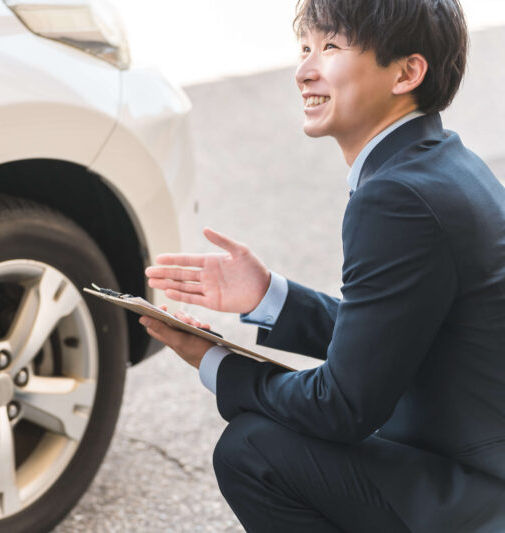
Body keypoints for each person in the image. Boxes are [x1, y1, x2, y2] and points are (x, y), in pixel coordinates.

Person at [140, 0, 505, 531]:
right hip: (479, 456)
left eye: (331, 47)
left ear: (406, 73)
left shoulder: (396, 197)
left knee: (253, 450)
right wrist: (268, 296)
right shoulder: (446, 163)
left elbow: (343, 407)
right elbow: (388, 334)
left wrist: (216, 364)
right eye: (305, 48)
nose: (304, 71)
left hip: (483, 491)